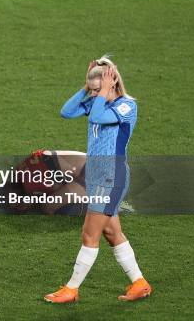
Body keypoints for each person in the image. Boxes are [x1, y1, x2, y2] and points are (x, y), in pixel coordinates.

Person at [44, 56, 152, 303]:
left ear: (112, 81)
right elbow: (66, 111)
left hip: (111, 177)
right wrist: (85, 89)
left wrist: (102, 93)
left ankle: (71, 289)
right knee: (112, 233)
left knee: (89, 234)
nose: (95, 86)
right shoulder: (96, 101)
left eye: (99, 81)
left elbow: (98, 118)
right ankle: (140, 283)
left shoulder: (127, 106)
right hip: (96, 176)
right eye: (92, 82)